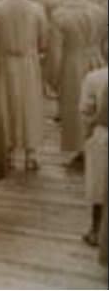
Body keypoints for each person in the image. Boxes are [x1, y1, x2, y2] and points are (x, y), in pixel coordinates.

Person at [0, 0, 48, 171]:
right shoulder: (36, 8)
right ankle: (31, 153)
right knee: (30, 105)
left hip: (4, 62)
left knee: (6, 104)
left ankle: (9, 152)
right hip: (29, 63)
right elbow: (44, 40)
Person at [47, 0, 106, 168]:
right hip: (97, 59)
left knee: (74, 107)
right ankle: (95, 149)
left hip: (72, 63)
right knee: (97, 104)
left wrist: (53, 79)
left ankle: (81, 151)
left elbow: (55, 52)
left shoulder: (59, 15)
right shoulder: (99, 11)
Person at [79, 42, 107, 247]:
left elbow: (86, 110)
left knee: (99, 184)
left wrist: (89, 130)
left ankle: (96, 229)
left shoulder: (94, 78)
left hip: (103, 135)